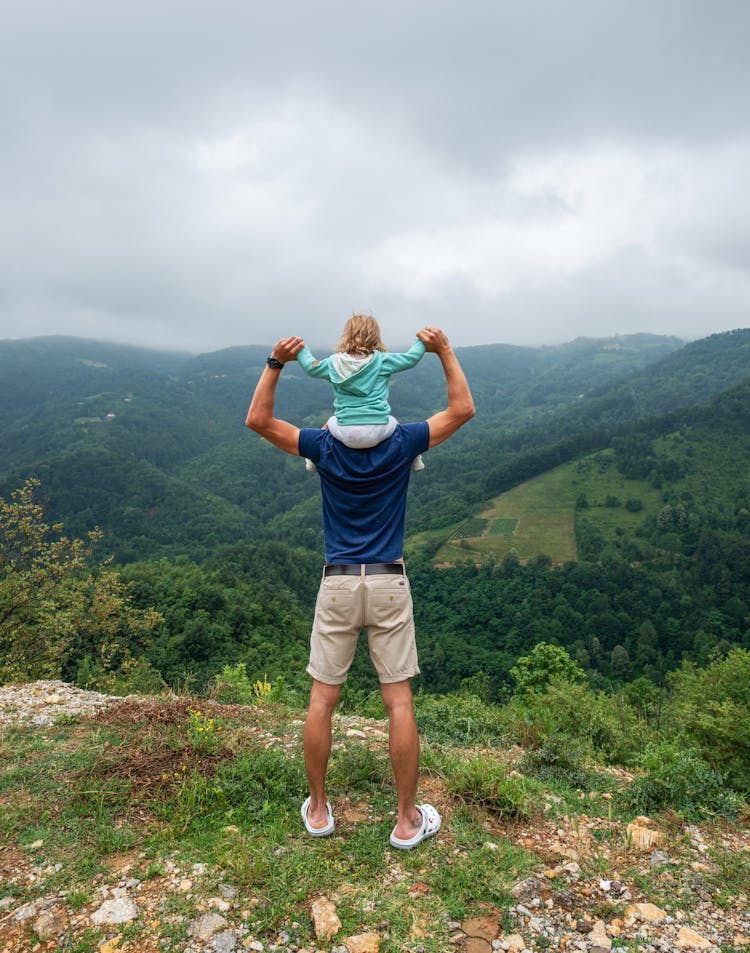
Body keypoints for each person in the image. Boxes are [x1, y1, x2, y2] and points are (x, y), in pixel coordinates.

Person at [245, 326, 474, 848]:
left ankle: (321, 811)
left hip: (339, 584)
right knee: (398, 702)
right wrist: (443, 351)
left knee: (322, 701)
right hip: (390, 580)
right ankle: (405, 821)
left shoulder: (323, 445)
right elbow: (462, 409)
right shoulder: (403, 441)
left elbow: (257, 420)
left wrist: (276, 363)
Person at [296, 313, 427, 472]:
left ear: (346, 335)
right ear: (375, 335)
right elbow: (411, 358)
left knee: (331, 421)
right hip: (379, 429)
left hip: (344, 431)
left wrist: (301, 349)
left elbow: (311, 368)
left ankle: (311, 459)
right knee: (396, 423)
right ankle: (415, 457)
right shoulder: (383, 360)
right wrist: (422, 340)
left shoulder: (334, 363)